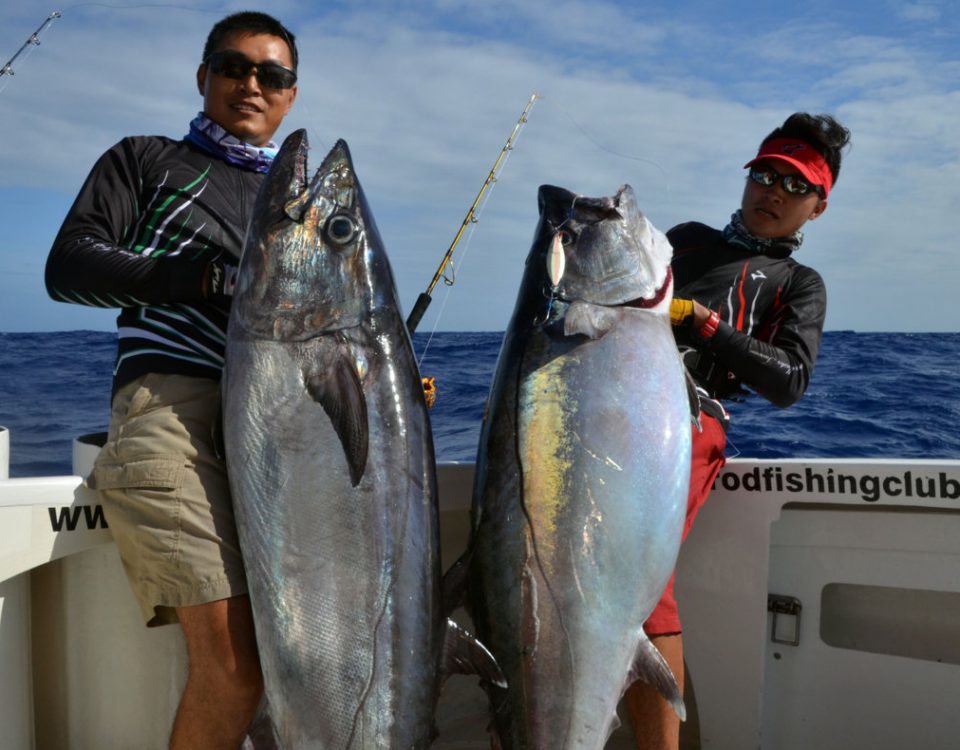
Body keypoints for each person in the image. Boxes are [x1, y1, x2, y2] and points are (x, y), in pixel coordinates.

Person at [44, 11, 298, 749]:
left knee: (293, 662)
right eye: (233, 67)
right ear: (203, 77)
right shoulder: (147, 160)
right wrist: (209, 279)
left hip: (279, 430)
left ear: (290, 94)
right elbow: (70, 268)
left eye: (271, 75)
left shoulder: (293, 204)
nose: (251, 84)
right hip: (175, 414)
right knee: (235, 672)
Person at [624, 112, 852, 750]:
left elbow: (789, 381)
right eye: (765, 174)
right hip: (618, 413)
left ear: (818, 206)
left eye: (794, 184)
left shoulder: (798, 284)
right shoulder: (686, 240)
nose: (773, 191)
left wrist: (704, 326)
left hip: (692, 426)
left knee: (642, 584)